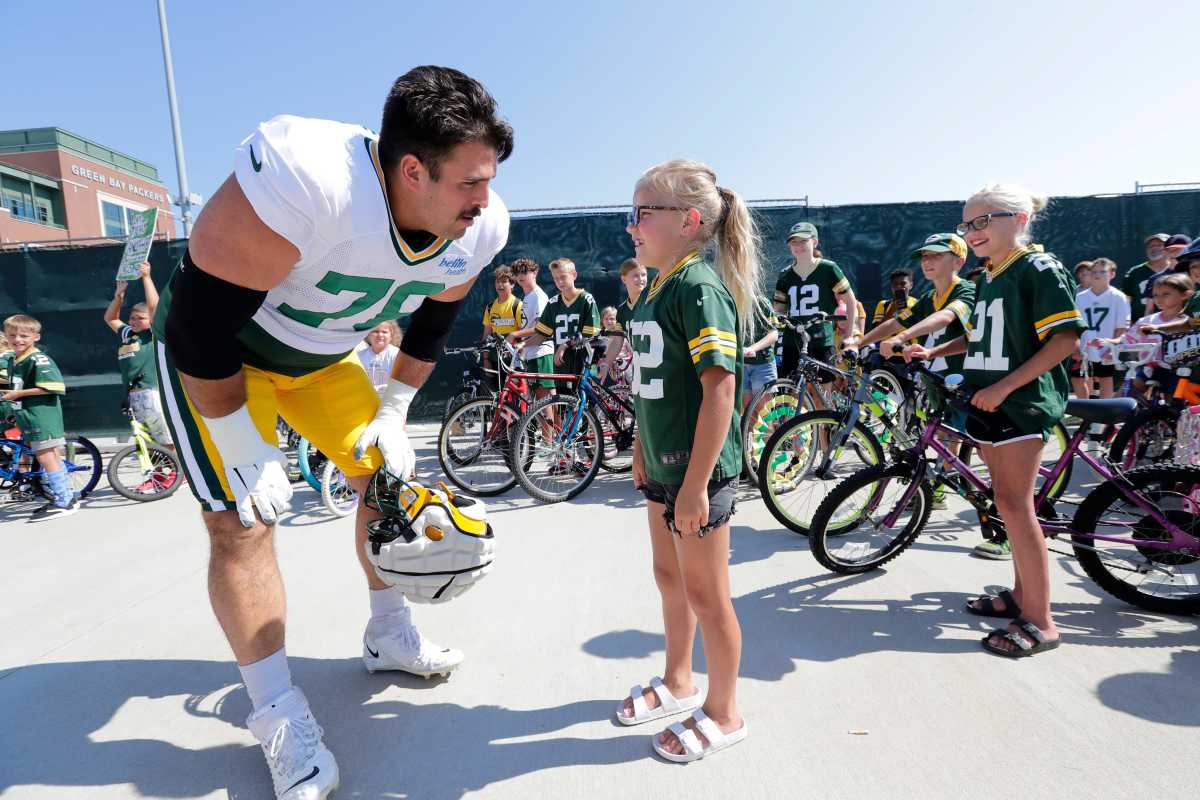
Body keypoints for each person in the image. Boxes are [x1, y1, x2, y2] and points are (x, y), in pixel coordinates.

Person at [151, 66, 513, 799]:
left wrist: (393, 410)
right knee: (240, 523)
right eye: (469, 182)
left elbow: (436, 320)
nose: (485, 199)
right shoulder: (309, 177)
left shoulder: (480, 225)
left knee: (388, 488)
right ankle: (278, 713)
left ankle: (388, 632)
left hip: (320, 363)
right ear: (412, 169)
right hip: (220, 361)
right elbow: (195, 328)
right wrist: (242, 442)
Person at [618, 159, 756, 762]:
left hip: (700, 475)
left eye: (643, 212)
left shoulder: (699, 287)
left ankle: (725, 712)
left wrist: (697, 485)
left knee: (708, 594)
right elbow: (652, 386)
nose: (632, 227)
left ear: (689, 220)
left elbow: (719, 390)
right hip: (664, 468)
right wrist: (642, 449)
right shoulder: (653, 287)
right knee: (668, 577)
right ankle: (679, 680)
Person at [914, 183, 1084, 659]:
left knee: (1015, 506)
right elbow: (980, 339)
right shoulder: (990, 274)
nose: (973, 232)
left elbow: (1064, 341)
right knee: (1008, 504)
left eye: (984, 220)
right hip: (990, 403)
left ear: (1020, 220)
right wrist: (935, 350)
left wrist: (1004, 387)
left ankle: (1042, 621)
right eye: (967, 224)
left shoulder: (1038, 268)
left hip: (1020, 405)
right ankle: (1021, 595)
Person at [845, 233, 975, 514]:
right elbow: (895, 322)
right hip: (936, 380)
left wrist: (904, 337)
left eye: (937, 256)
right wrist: (859, 341)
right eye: (925, 257)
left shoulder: (965, 290)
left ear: (959, 261)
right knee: (938, 437)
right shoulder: (930, 297)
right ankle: (935, 489)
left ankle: (994, 513)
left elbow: (946, 317)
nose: (927, 262)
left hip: (967, 380)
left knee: (966, 442)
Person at [1, 314, 75, 521]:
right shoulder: (15, 359)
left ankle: (64, 501)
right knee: (48, 456)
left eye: (24, 335)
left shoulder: (38, 358)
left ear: (36, 337)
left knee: (46, 456)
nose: (18, 339)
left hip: (41, 415)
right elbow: (10, 385)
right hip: (28, 416)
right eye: (13, 335)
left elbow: (54, 386)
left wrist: (18, 394)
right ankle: (65, 497)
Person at [773, 222, 857, 401]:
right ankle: (794, 430)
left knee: (822, 397)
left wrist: (849, 336)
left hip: (821, 341)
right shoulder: (785, 275)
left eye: (803, 241)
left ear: (815, 242)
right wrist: (774, 322)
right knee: (790, 397)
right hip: (792, 341)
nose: (798, 246)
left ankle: (827, 429)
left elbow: (851, 301)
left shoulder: (828, 268)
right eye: (794, 242)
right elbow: (779, 309)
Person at [103, 262, 174, 455]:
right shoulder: (128, 334)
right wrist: (119, 296)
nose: (133, 321)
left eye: (139, 318)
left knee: (165, 437)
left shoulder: (153, 333)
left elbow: (155, 308)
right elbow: (110, 318)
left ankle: (179, 473)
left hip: (153, 392)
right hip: (134, 395)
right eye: (132, 317)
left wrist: (146, 277)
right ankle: (159, 476)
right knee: (145, 439)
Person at [523, 258, 601, 393]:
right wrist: (522, 345)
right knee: (562, 410)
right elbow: (541, 335)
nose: (559, 282)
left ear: (574, 275)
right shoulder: (553, 303)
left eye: (563, 277)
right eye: (555, 278)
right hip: (561, 367)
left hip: (582, 365)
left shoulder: (586, 300)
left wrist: (566, 344)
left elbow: (590, 335)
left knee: (584, 410)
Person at [1123, 272, 1193, 396]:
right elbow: (1126, 340)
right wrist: (1109, 343)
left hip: (1179, 371)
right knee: (1125, 395)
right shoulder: (1146, 321)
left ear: (1185, 295)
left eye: (1166, 294)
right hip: (1149, 368)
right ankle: (1110, 414)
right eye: (1155, 295)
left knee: (1173, 404)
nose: (1159, 299)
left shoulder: (1190, 321)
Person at [1073, 257, 1130, 406]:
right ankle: (1086, 410)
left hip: (1105, 345)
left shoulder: (1118, 297)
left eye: (1102, 271)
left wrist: (1113, 348)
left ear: (1112, 274)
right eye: (1094, 271)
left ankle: (1103, 413)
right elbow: (1074, 325)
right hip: (1085, 345)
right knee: (1079, 378)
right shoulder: (1080, 297)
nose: (1097, 274)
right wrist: (1076, 346)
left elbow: (1121, 327)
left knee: (1105, 378)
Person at [506, 258, 556, 400]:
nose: (520, 276)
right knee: (539, 401)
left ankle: (552, 424)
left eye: (524, 272)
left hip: (541, 352)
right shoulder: (528, 297)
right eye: (517, 273)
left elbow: (541, 328)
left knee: (544, 399)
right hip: (531, 353)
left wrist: (515, 334)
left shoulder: (538, 296)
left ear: (535, 273)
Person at [598, 257, 648, 384]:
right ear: (624, 279)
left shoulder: (655, 302)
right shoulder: (623, 310)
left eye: (644, 275)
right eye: (636, 275)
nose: (641, 279)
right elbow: (616, 341)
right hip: (639, 371)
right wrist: (606, 365)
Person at [480, 263, 522, 382]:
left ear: (512, 284)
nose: (500, 285)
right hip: (494, 360)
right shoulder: (490, 307)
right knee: (498, 397)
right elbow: (486, 335)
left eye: (504, 281)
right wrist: (486, 359)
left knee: (515, 396)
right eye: (497, 281)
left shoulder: (518, 305)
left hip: (513, 361)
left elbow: (524, 335)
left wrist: (519, 360)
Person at [741, 296, 778, 411]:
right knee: (747, 415)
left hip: (763, 364)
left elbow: (774, 334)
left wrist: (752, 349)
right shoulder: (728, 300)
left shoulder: (762, 303)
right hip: (740, 365)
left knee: (765, 416)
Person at [1120, 233, 1169, 315]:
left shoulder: (1178, 269)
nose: (1154, 248)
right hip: (1140, 323)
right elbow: (1126, 301)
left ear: (1169, 248)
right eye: (1150, 246)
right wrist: (1127, 321)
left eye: (1159, 245)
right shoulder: (1134, 272)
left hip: (1173, 322)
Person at [355, 320, 402, 393]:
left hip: (387, 398)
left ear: (391, 335)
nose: (380, 335)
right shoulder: (359, 356)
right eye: (375, 331)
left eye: (384, 332)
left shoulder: (397, 355)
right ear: (368, 334)